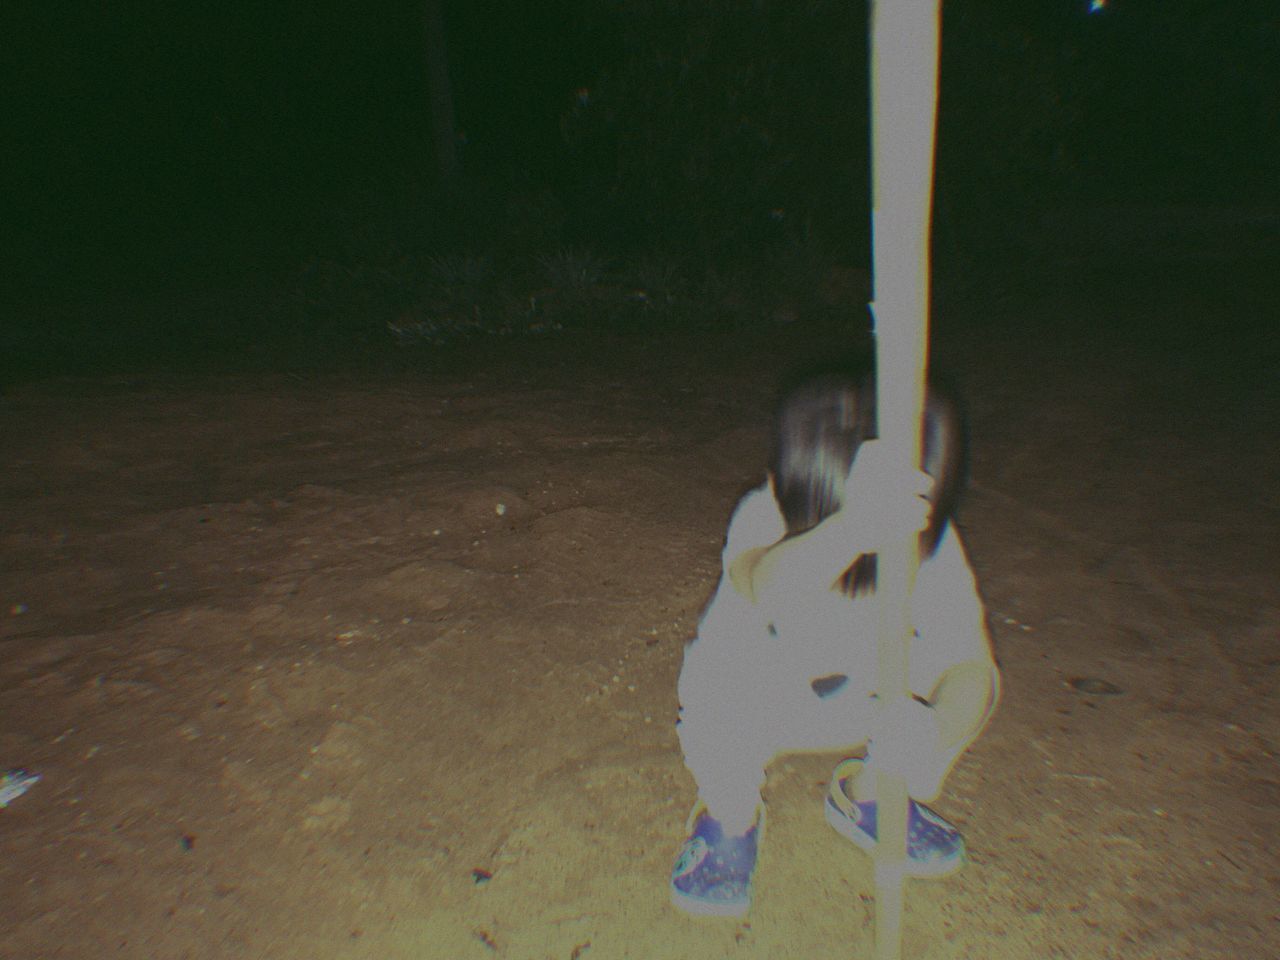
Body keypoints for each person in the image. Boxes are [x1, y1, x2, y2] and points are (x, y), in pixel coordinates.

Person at [670, 360, 1000, 917]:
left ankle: (875, 795)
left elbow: (973, 666)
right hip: (762, 698)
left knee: (965, 680)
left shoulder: (933, 546)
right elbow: (764, 586)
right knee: (713, 696)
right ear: (779, 482)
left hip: (876, 703)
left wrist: (933, 729)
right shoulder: (762, 516)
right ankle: (729, 815)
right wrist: (848, 531)